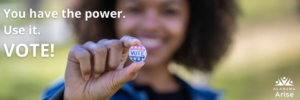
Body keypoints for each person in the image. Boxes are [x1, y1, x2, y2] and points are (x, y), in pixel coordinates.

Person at [42, 0, 237, 100]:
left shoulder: (208, 98)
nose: (151, 25)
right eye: (135, 8)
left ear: (192, 21)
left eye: (169, 11)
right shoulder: (71, 90)